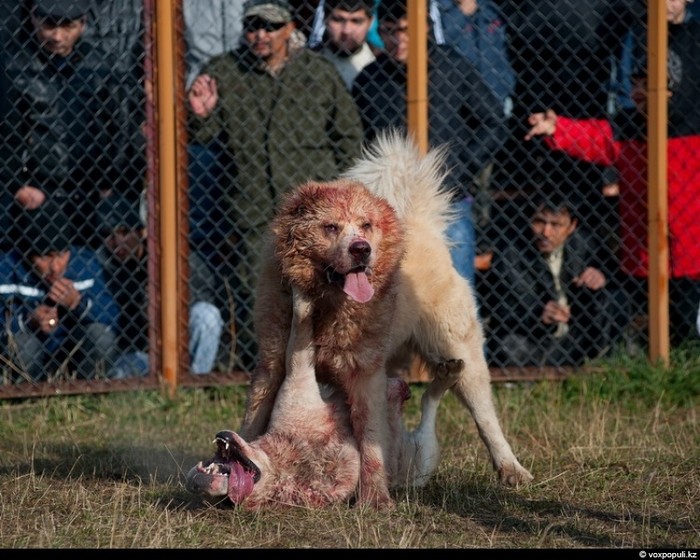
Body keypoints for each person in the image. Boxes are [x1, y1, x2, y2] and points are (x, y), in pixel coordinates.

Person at [187, 0, 363, 370]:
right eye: (252, 26)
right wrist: (199, 114)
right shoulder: (225, 72)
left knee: (320, 295)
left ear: (288, 29)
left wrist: (341, 199)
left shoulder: (317, 72)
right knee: (259, 296)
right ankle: (261, 374)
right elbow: (201, 136)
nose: (260, 35)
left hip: (314, 215)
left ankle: (321, 373)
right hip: (253, 212)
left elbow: (348, 137)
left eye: (270, 27)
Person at [525, 18, 700, 347]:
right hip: (643, 253)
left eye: (647, 83)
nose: (638, 92)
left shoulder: (693, 125)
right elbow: (594, 137)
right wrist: (557, 129)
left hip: (692, 253)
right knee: (631, 325)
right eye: (635, 84)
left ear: (670, 87)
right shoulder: (628, 126)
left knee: (690, 329)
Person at [352, 0, 508, 286]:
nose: (399, 39)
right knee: (396, 297)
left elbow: (493, 122)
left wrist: (459, 169)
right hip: (391, 206)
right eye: (389, 31)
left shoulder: (452, 67)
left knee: (456, 291)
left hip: (447, 201)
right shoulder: (369, 82)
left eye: (406, 30)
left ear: (424, 28)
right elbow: (357, 140)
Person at [0, 0, 137, 249]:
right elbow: (5, 134)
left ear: (83, 24)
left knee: (85, 263)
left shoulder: (101, 66)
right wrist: (17, 186)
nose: (57, 36)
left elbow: (119, 128)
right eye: (49, 25)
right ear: (34, 19)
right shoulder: (13, 66)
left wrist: (109, 181)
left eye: (68, 26)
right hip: (36, 190)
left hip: (89, 191)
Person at [96, 194, 224, 378]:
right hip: (139, 352)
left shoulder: (171, 254)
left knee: (207, 315)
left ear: (142, 232)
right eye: (107, 235)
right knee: (119, 373)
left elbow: (205, 296)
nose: (117, 243)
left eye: (124, 232)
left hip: (180, 343)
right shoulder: (102, 266)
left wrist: (169, 299)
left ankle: (194, 385)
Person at [484, 194, 617, 367]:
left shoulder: (584, 244)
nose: (546, 232)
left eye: (556, 225)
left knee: (615, 299)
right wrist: (538, 314)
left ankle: (600, 365)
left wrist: (601, 275)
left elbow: (616, 273)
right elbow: (501, 307)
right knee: (510, 346)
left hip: (576, 335)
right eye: (539, 222)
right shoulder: (511, 253)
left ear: (571, 226)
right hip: (533, 339)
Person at [0, 203, 119, 382]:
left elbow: (112, 317)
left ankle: (89, 394)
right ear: (27, 254)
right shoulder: (8, 269)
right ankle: (24, 397)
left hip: (74, 351)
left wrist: (79, 304)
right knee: (22, 346)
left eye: (61, 255)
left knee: (101, 336)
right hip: (32, 351)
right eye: (45, 257)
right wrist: (28, 321)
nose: (55, 267)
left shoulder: (84, 263)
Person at [309, 0, 377, 90]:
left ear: (370, 22)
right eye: (338, 20)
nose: (346, 31)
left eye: (356, 21)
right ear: (325, 18)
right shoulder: (307, 61)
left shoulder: (379, 62)